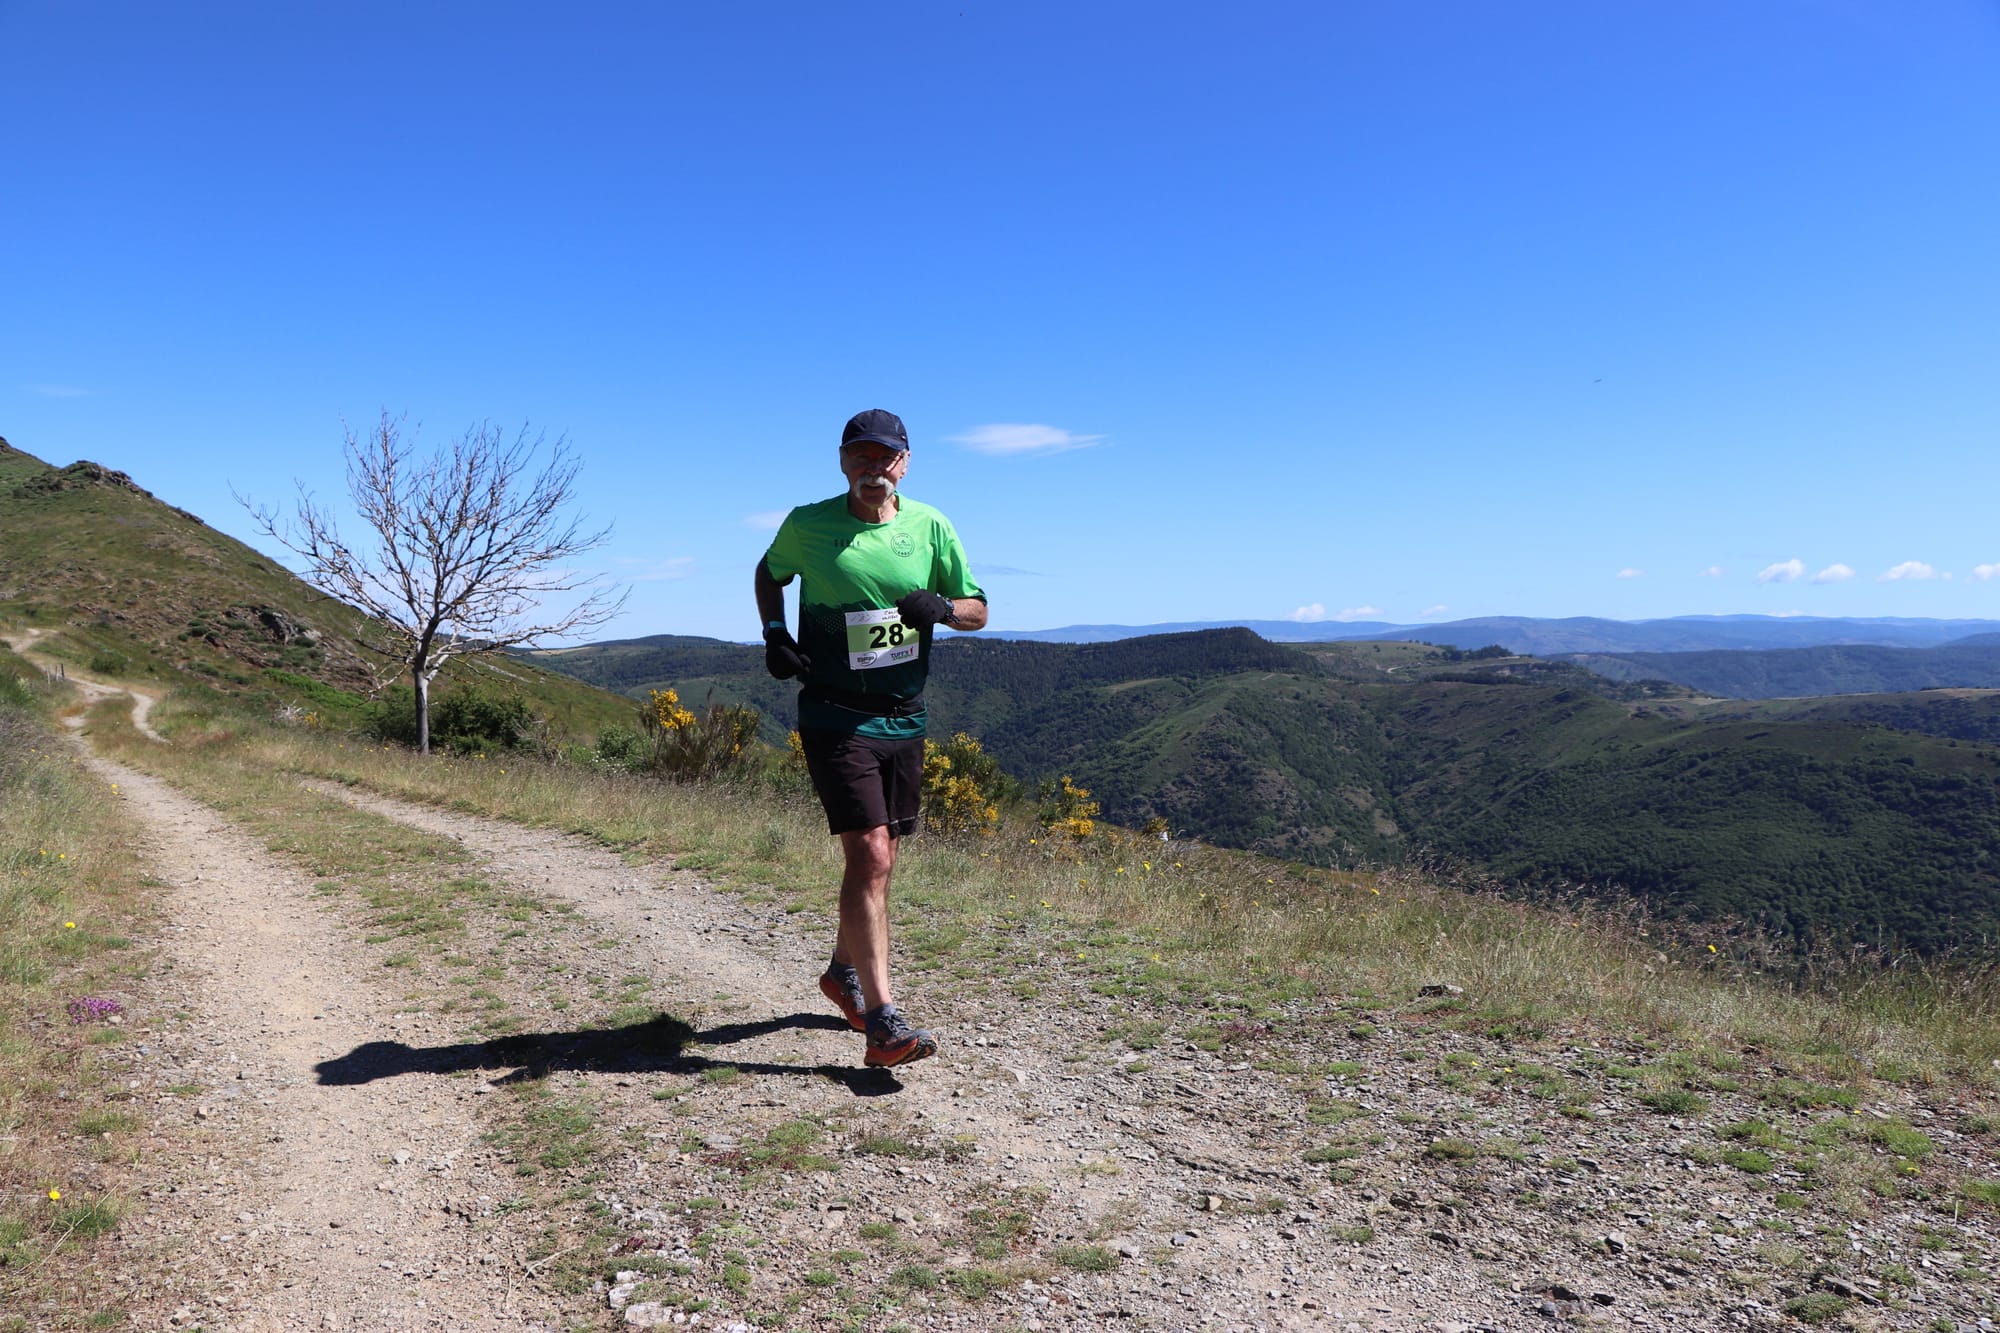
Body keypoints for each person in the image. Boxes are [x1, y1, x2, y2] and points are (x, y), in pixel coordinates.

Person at [754, 408, 989, 1068]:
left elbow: (978, 609)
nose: (872, 467)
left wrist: (945, 608)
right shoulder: (808, 524)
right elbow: (769, 572)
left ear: (904, 465)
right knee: (872, 854)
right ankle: (884, 1023)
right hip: (834, 714)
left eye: (884, 457)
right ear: (841, 461)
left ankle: (842, 973)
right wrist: (775, 634)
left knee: (879, 861)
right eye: (859, 455)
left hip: (904, 715)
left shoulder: (931, 526)